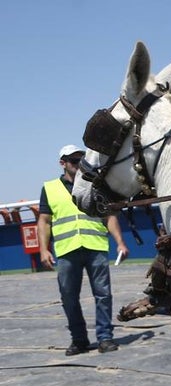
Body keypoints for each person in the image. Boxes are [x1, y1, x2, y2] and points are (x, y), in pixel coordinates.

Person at [37, 145, 129, 355]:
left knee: (103, 295)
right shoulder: (50, 188)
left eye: (81, 159)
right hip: (67, 251)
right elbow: (44, 221)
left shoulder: (95, 185)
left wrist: (120, 242)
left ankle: (105, 338)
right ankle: (79, 340)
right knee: (69, 297)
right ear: (63, 163)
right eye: (73, 161)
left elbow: (109, 216)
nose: (78, 164)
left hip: (95, 247)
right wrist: (44, 249)